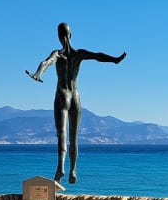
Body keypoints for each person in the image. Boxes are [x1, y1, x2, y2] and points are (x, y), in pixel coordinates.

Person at [26, 22, 126, 187]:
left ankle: (60, 168)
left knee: (62, 134)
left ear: (59, 36)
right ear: (71, 35)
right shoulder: (79, 54)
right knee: (74, 136)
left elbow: (46, 62)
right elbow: (97, 56)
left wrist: (38, 73)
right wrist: (114, 60)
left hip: (62, 94)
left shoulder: (57, 54)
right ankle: (73, 169)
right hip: (76, 96)